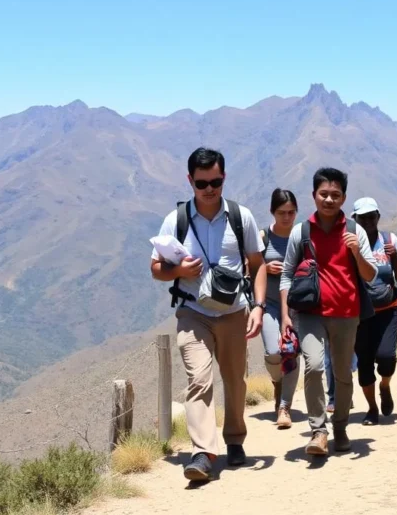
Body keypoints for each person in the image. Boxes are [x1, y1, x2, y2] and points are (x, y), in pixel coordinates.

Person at [149, 147, 266, 482]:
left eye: (215, 181)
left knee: (235, 381)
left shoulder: (241, 217)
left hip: (234, 312)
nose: (210, 188)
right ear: (190, 181)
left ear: (224, 177)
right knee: (198, 380)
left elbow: (257, 265)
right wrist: (179, 269)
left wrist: (258, 307)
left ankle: (234, 438)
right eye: (202, 183)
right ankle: (202, 452)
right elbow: (156, 268)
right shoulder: (177, 221)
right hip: (192, 312)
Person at [279, 167, 378, 456]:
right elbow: (286, 274)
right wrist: (286, 314)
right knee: (314, 366)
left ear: (344, 197)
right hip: (310, 312)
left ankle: (341, 427)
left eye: (336, 195)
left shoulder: (354, 231)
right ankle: (319, 430)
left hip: (347, 312)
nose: (329, 200)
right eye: (324, 194)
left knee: (343, 373)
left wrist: (357, 252)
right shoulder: (302, 231)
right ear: (314, 196)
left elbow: (371, 275)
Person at [350, 196, 397, 425]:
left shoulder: (389, 240)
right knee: (364, 362)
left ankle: (385, 385)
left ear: (378, 217)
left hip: (387, 311)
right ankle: (372, 408)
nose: (367, 222)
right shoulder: (350, 244)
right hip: (359, 313)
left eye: (371, 217)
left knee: (386, 357)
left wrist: (394, 257)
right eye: (362, 218)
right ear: (354, 219)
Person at [257, 188, 300, 429]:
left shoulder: (302, 235)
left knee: (290, 352)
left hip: (298, 305)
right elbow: (248, 268)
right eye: (282, 212)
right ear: (273, 212)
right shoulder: (263, 237)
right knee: (273, 352)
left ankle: (284, 406)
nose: (287, 217)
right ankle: (278, 381)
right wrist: (265, 266)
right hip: (271, 305)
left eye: (291, 212)